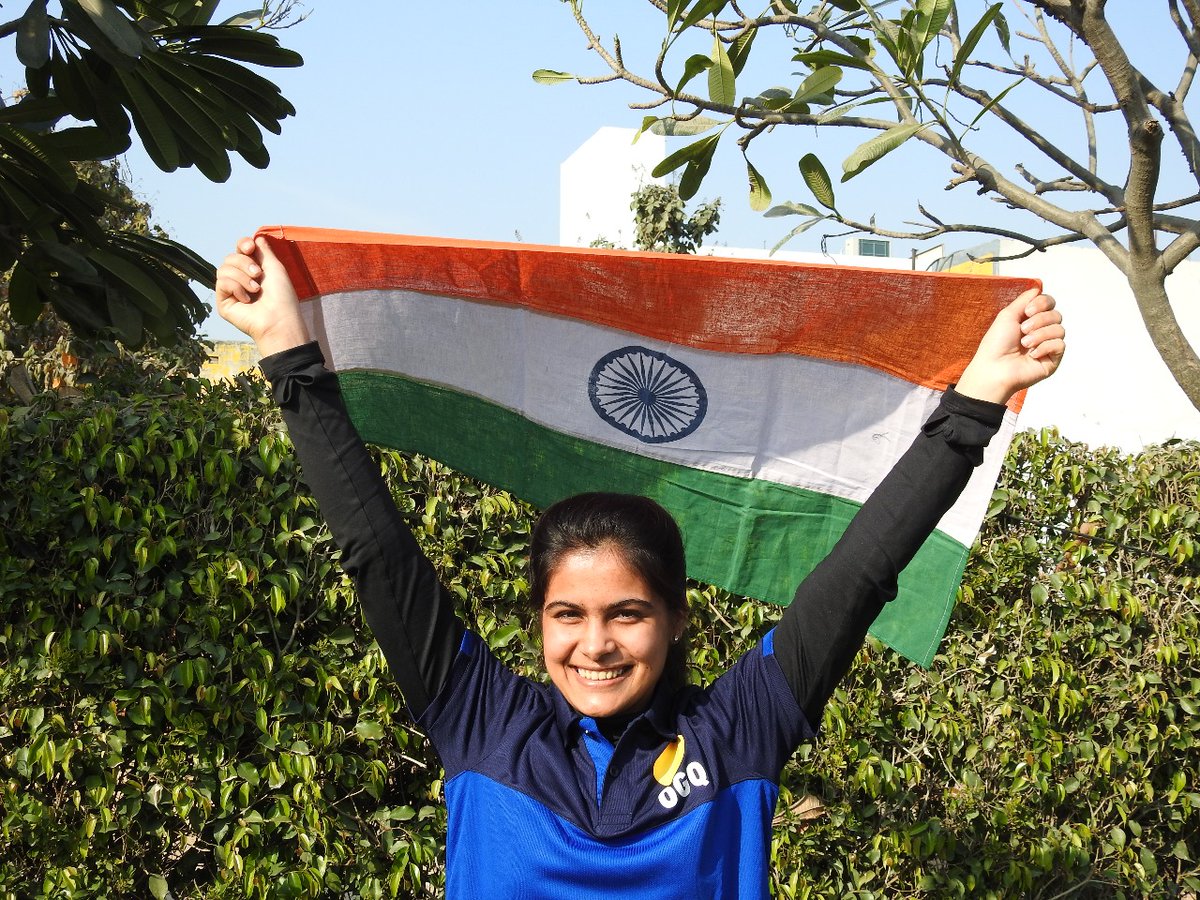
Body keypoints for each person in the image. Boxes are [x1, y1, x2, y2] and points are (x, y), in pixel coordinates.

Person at [215, 235, 1065, 899]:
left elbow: (859, 576)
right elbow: (377, 553)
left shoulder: (739, 732)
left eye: (627, 612)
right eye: (568, 614)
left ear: (674, 620)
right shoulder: (480, 722)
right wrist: (288, 351)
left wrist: (977, 400)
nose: (596, 644)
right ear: (540, 622)